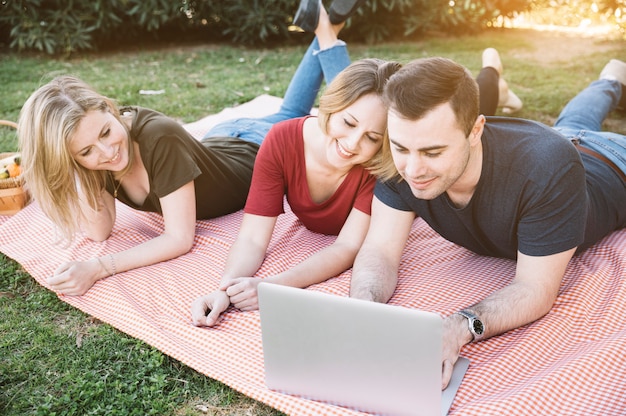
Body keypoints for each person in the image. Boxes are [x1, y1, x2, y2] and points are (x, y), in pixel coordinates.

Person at [189, 1, 521, 326]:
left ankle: (492, 72)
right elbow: (252, 238)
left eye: (373, 137)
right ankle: (327, 30)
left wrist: (275, 286)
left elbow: (348, 247)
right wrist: (225, 288)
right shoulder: (281, 140)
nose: (352, 145)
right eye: (348, 123)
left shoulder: (380, 166)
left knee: (471, 117)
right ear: (329, 107)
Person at [16, 0, 368, 297]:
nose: (107, 152)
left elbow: (179, 238)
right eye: (86, 152)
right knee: (288, 113)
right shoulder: (96, 155)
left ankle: (324, 29)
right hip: (224, 134)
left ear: (109, 108)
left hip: (252, 149)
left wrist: (98, 268)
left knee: (338, 118)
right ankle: (326, 23)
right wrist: (80, 168)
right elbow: (99, 231)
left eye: (107, 132)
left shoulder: (158, 137)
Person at [349, 55, 626, 389]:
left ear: (475, 130)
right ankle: (611, 79)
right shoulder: (403, 159)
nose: (413, 170)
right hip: (559, 138)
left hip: (612, 161)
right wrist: (363, 310)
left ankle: (611, 83)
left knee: (577, 130)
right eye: (400, 148)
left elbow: (534, 288)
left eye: (433, 152)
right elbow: (379, 248)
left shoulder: (547, 170)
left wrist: (457, 327)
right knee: (574, 121)